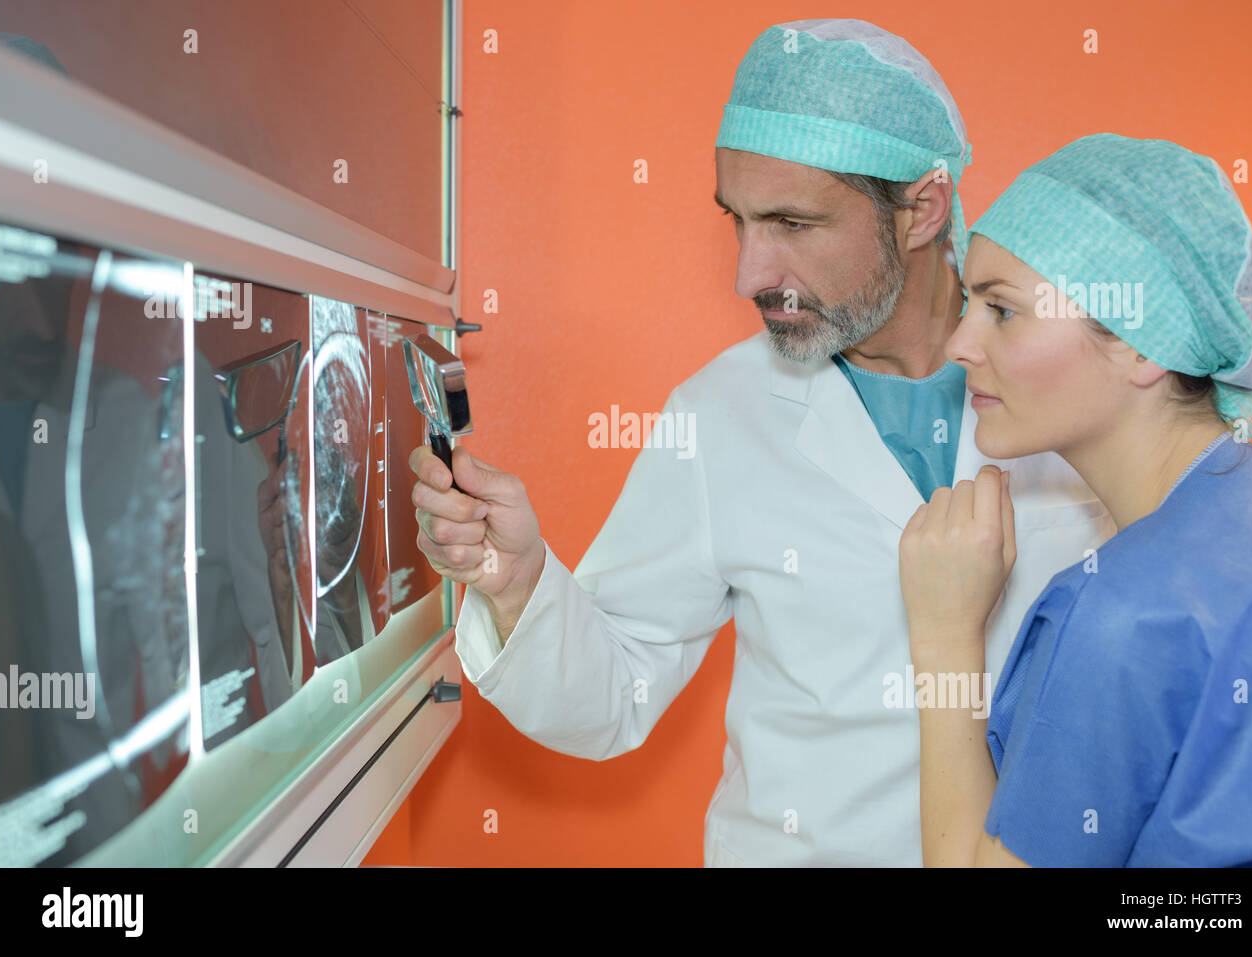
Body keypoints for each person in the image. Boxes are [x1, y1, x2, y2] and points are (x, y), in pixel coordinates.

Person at [409, 19, 1115, 866]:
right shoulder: (720, 414)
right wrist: (518, 585)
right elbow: (614, 695)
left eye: (793, 222)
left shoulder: (1077, 380)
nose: (750, 274)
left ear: (921, 209)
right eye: (738, 222)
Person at [898, 133, 1252, 867]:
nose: (959, 343)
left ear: (1145, 345)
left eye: (1002, 310)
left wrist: (945, 636)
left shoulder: (1121, 612)